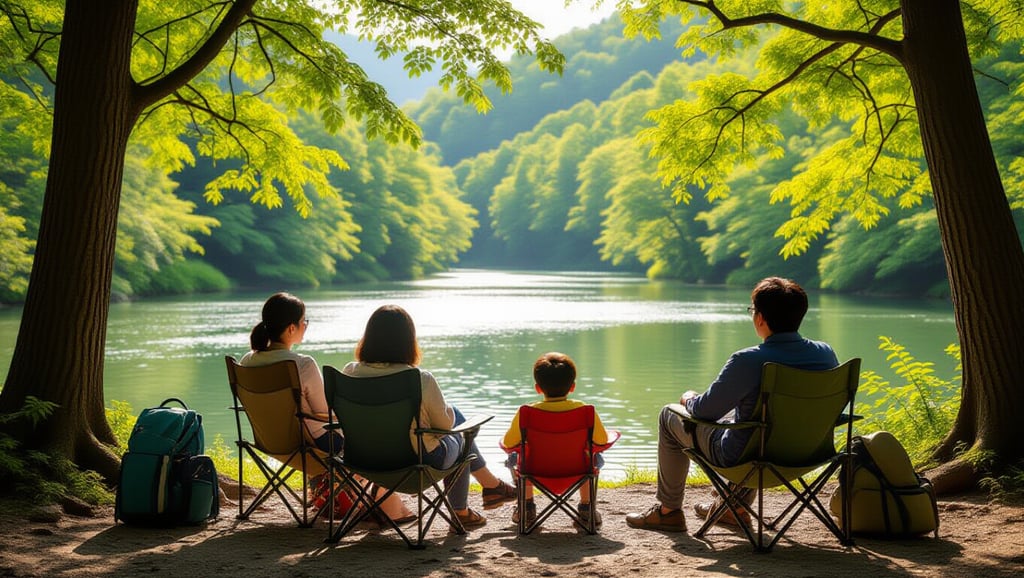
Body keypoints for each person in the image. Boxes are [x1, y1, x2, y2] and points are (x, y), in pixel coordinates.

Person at [625, 277, 839, 532]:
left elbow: (704, 411)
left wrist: (689, 399)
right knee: (749, 422)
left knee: (669, 415)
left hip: (746, 458)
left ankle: (668, 511)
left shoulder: (748, 360)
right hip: (809, 453)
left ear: (760, 318)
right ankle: (732, 507)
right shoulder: (825, 354)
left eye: (753, 310)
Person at [239, 292, 413, 522]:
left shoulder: (246, 362)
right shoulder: (301, 364)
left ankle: (353, 498)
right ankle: (381, 502)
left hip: (268, 443)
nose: (305, 326)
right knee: (368, 441)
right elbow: (327, 413)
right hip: (311, 445)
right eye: (304, 322)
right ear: (291, 328)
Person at [340, 304, 517, 528]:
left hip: (362, 459)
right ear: (408, 341)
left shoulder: (349, 372)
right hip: (416, 461)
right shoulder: (418, 378)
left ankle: (491, 487)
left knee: (457, 421)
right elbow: (444, 424)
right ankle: (465, 508)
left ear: (369, 338)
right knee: (463, 434)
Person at [502, 351, 610, 529]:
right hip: (578, 472)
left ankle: (526, 509)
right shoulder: (586, 411)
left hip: (535, 473)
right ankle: (586, 509)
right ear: (573, 386)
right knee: (590, 455)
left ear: (537, 388)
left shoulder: (526, 413)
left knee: (519, 456)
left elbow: (508, 444)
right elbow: (602, 440)